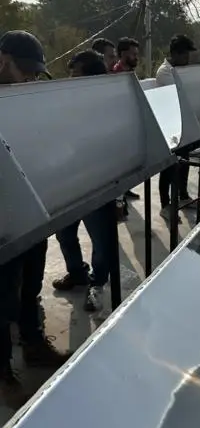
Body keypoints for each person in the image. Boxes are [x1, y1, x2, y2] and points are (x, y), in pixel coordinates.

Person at [0, 30, 71, 391]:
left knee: (30, 285)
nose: (28, 78)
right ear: (3, 60)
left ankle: (32, 344)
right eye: (21, 70)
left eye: (33, 72)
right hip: (4, 216)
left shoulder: (26, 97)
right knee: (3, 295)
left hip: (34, 205)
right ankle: (2, 372)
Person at [52, 50, 112, 313]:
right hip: (69, 180)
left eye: (75, 74)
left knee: (101, 240)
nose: (70, 78)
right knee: (65, 233)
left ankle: (97, 284)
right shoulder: (66, 102)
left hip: (97, 182)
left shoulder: (108, 104)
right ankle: (76, 272)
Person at [156, 35, 196, 222]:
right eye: (185, 54)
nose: (188, 58)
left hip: (182, 125)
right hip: (169, 127)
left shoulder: (179, 70)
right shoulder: (165, 72)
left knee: (184, 163)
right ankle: (166, 205)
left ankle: (183, 196)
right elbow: (181, 95)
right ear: (175, 54)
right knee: (169, 168)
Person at [113, 37, 140, 201]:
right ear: (123, 54)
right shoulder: (118, 73)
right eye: (133, 54)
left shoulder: (129, 71)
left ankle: (126, 189)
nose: (136, 57)